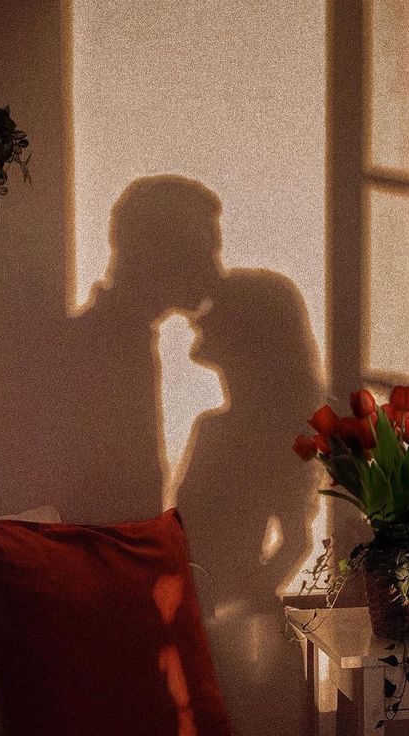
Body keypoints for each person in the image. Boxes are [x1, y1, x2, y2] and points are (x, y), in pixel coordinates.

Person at [175, 267, 323, 736]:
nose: (200, 317)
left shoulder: (265, 432)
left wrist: (232, 608)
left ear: (248, 330)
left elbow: (296, 540)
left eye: (216, 310)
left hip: (240, 639)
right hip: (207, 623)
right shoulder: (215, 428)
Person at [55, 175, 225, 523]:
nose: (216, 271)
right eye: (208, 252)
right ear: (164, 254)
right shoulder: (94, 353)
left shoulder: (119, 342)